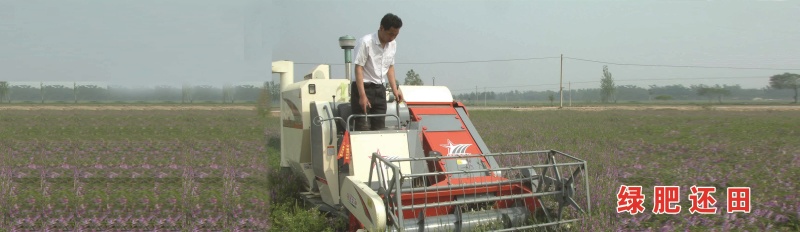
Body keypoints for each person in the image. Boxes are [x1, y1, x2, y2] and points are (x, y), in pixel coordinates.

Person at [351, 13, 404, 131]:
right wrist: (362, 95)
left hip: (380, 89)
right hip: (364, 88)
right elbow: (358, 68)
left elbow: (390, 67)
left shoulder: (393, 44)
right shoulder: (366, 42)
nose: (392, 37)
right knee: (363, 128)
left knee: (379, 129)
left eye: (396, 35)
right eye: (390, 34)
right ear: (382, 28)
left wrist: (395, 89)